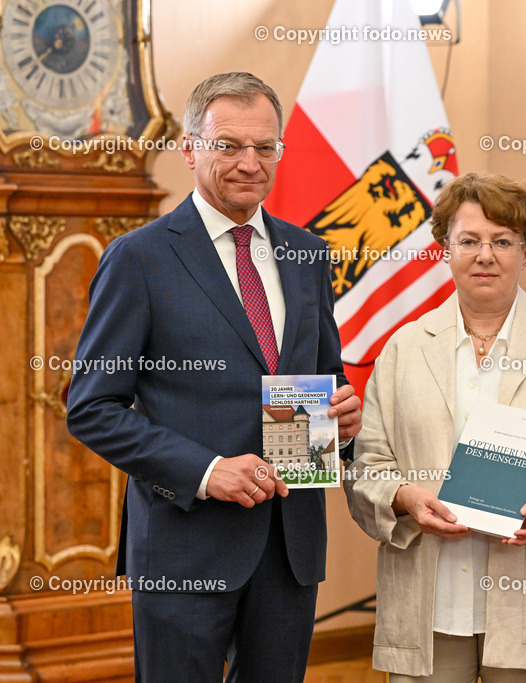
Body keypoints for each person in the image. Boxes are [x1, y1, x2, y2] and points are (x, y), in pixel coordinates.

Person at [66, 72, 362, 682]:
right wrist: (205, 472)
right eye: (228, 145)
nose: (249, 162)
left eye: (265, 147)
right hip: (184, 548)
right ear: (190, 148)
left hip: (288, 550)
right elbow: (92, 407)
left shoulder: (308, 255)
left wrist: (344, 422)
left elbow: (321, 382)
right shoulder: (139, 258)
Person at [344, 172, 526, 681]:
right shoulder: (401, 350)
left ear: (525, 252)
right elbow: (365, 469)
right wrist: (406, 498)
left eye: (503, 241)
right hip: (429, 606)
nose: (486, 255)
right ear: (443, 248)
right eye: (469, 240)